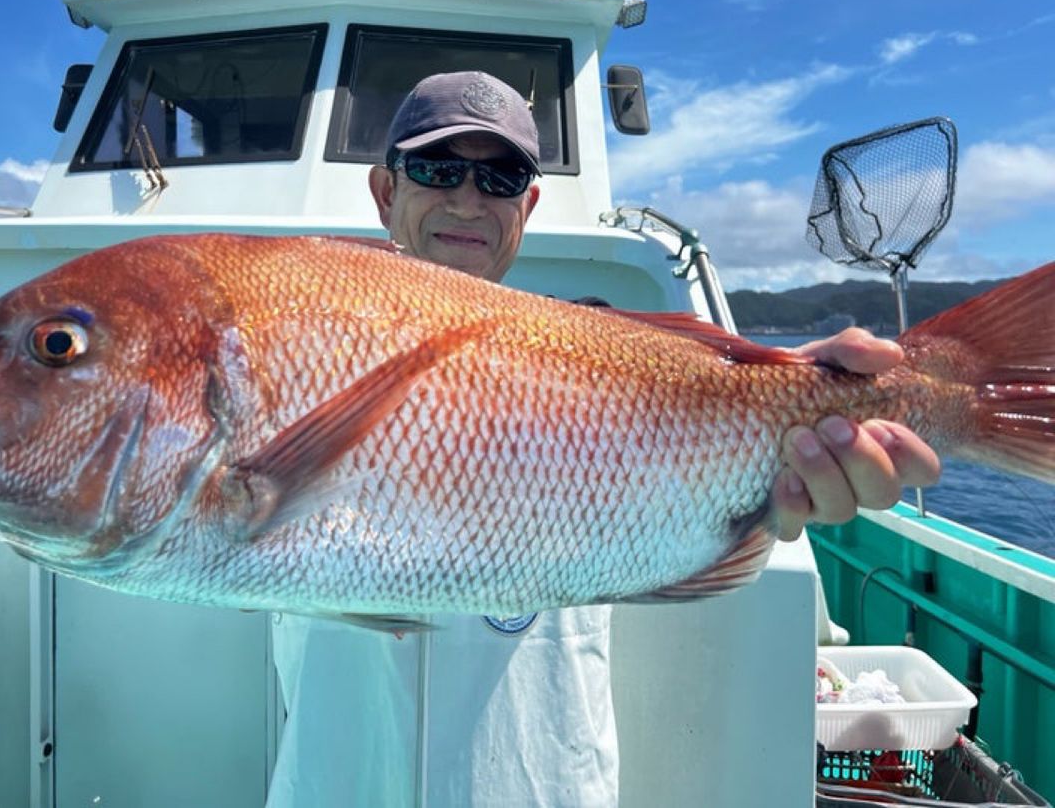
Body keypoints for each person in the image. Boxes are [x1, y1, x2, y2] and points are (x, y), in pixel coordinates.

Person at [266, 71, 941, 807]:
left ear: (527, 205)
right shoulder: (298, 348)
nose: (467, 197)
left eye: (500, 176)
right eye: (436, 168)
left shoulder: (599, 354)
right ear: (385, 192)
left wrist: (811, 431)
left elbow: (730, 418)